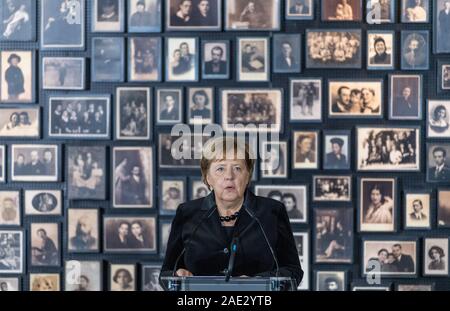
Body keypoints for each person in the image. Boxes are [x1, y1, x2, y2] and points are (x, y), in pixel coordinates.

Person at [160, 136, 303, 287]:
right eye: (220, 169)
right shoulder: (187, 213)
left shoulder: (272, 212)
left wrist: (256, 283)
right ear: (207, 177)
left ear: (248, 175)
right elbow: (167, 272)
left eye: (237, 168)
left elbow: (293, 271)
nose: (229, 176)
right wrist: (177, 275)